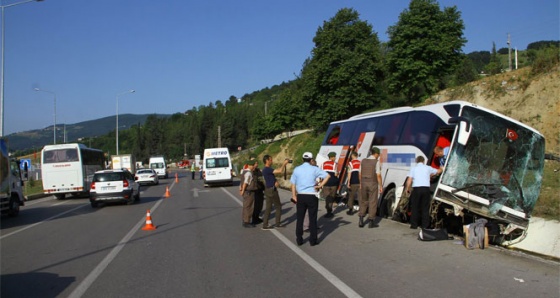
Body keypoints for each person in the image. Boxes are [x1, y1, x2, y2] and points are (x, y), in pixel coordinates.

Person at [291, 152, 330, 246]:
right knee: (313, 219)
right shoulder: (314, 169)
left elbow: (293, 183)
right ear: (311, 159)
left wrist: (294, 195)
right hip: (312, 195)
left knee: (300, 218)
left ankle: (299, 239)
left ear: (302, 159)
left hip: (301, 195)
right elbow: (328, 176)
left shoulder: (297, 169)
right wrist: (320, 185)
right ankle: (313, 240)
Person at [406, 156, 443, 229]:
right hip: (426, 189)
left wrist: (408, 188)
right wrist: (442, 168)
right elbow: (438, 171)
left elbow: (409, 180)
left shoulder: (413, 169)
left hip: (416, 189)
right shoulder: (428, 168)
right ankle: (425, 226)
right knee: (425, 208)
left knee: (415, 207)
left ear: (417, 161)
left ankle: (414, 225)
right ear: (423, 161)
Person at [261, 155, 290, 229]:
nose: (272, 161)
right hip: (272, 190)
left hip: (268, 189)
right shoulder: (268, 169)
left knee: (268, 208)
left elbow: (271, 177)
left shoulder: (265, 169)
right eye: (270, 160)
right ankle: (278, 223)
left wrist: (275, 181)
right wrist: (284, 164)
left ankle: (265, 224)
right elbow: (280, 171)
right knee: (278, 206)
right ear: (267, 161)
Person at [359, 146, 383, 228]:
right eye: (378, 154)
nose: (379, 156)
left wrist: (361, 183)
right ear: (375, 154)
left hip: (363, 183)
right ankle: (371, 222)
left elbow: (360, 173)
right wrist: (381, 186)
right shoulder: (376, 162)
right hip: (373, 183)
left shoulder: (363, 161)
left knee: (363, 201)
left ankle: (361, 220)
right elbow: (378, 175)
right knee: (372, 202)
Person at [321, 152, 339, 218]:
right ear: (332, 157)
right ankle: (329, 211)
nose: (335, 158)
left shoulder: (323, 164)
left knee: (327, 197)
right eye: (335, 157)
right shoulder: (334, 164)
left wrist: (321, 182)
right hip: (333, 183)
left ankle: (328, 209)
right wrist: (338, 174)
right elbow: (335, 174)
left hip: (326, 183)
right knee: (332, 197)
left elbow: (321, 174)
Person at [240, 160, 257, 228]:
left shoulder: (243, 171)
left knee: (246, 206)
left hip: (246, 192)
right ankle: (247, 221)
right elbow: (245, 182)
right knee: (249, 207)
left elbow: (241, 182)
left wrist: (241, 189)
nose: (254, 167)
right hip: (249, 192)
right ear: (250, 165)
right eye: (253, 165)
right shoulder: (249, 173)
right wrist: (243, 190)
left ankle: (245, 220)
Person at [346, 151, 360, 215]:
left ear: (352, 156)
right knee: (361, 196)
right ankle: (362, 211)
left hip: (353, 181)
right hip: (360, 182)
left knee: (351, 196)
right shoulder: (361, 163)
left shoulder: (350, 163)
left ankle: (350, 210)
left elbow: (349, 173)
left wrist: (348, 182)